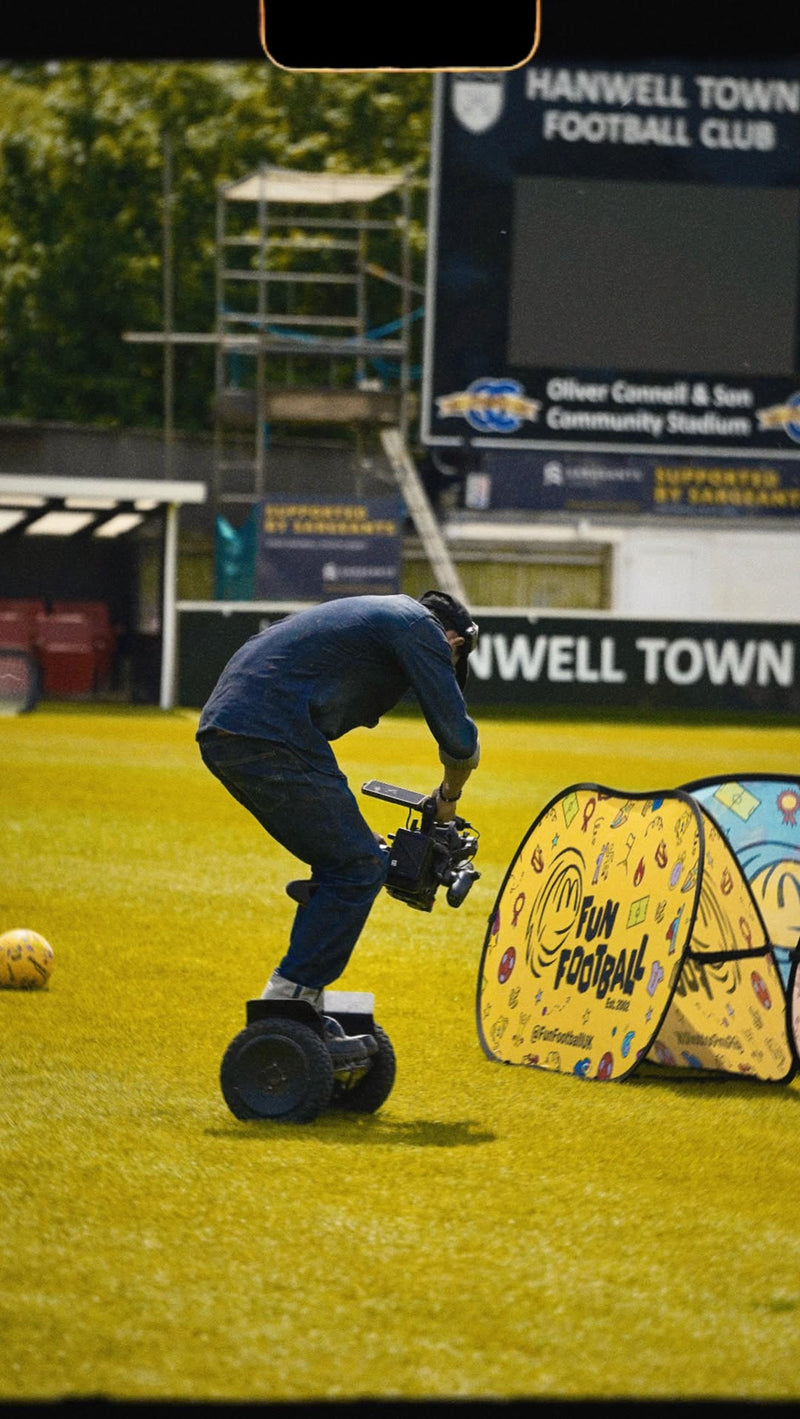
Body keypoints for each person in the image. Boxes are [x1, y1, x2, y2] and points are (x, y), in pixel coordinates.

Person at [196, 590, 480, 1017]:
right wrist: (447, 799)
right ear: (455, 642)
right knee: (357, 866)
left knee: (352, 859)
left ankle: (301, 996)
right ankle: (287, 1003)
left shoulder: (374, 615)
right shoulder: (420, 627)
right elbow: (459, 740)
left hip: (236, 728)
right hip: (271, 731)